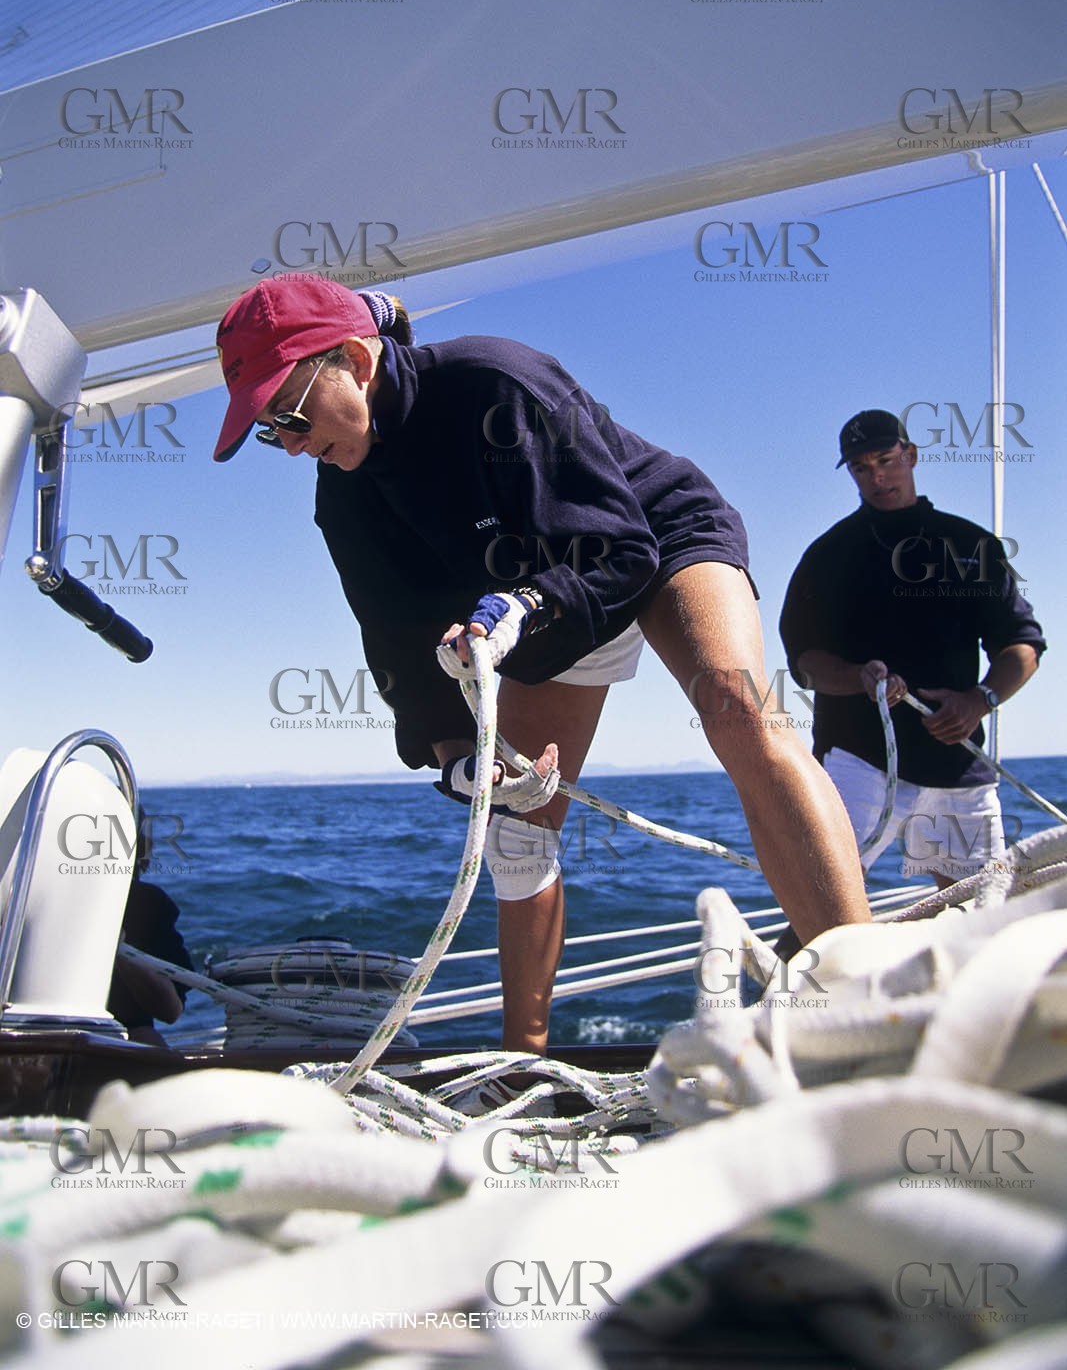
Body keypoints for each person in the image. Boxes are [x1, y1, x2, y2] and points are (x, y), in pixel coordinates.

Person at [214, 274, 871, 1069]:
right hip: (530, 608)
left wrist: (524, 603)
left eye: (289, 413)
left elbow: (620, 549)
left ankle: (864, 1007)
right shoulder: (342, 494)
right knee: (515, 834)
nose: (286, 442)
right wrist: (458, 758)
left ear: (354, 357)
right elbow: (391, 636)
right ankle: (521, 1063)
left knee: (739, 714)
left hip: (652, 541)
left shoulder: (497, 379)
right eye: (267, 431)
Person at [780, 409, 1045, 890]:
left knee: (976, 912)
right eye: (861, 467)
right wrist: (858, 676)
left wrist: (978, 700)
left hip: (957, 761)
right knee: (822, 897)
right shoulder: (828, 556)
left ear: (912, 455)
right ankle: (800, 968)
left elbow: (1022, 644)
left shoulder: (969, 544)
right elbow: (804, 661)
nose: (876, 475)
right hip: (860, 756)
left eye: (886, 459)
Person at [108, 814, 195, 1045]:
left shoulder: (147, 903)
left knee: (143, 1037)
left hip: (122, 1039)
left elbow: (171, 1010)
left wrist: (121, 954)